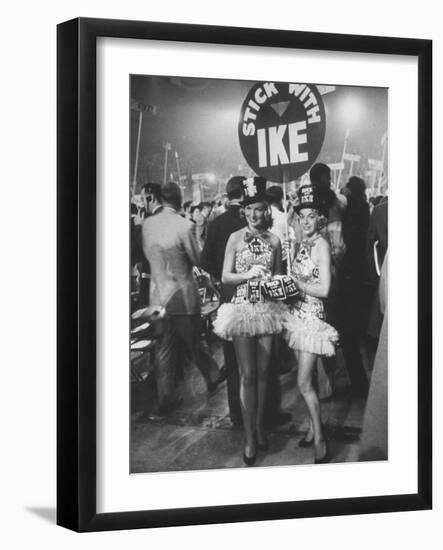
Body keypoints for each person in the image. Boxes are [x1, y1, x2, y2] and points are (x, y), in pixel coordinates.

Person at [213, 177, 287, 465]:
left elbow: (280, 276)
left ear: (266, 210)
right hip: (243, 309)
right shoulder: (234, 238)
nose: (254, 214)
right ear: (243, 211)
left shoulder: (275, 241)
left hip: (267, 310)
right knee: (247, 375)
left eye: (259, 208)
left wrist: (276, 281)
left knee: (265, 373)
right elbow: (225, 276)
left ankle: (258, 426)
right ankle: (248, 437)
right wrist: (248, 274)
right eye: (249, 209)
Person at [141, 182, 225, 415]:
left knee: (164, 349)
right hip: (182, 297)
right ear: (178, 200)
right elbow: (197, 259)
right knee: (194, 343)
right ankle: (212, 376)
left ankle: (166, 398)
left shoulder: (148, 224)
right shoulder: (184, 225)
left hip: (158, 296)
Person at [283, 184, 339, 464]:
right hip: (295, 318)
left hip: (312, 319)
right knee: (308, 383)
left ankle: (320, 439)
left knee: (303, 383)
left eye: (310, 216)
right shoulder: (301, 244)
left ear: (321, 219)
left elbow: (325, 289)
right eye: (301, 216)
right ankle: (310, 430)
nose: (305, 221)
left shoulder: (322, 246)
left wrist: (298, 283)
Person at [201, 176, 247, 426]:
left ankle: (237, 415)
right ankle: (261, 413)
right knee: (258, 362)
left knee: (231, 362)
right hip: (253, 296)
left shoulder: (216, 223)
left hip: (228, 297)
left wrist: (222, 280)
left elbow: (205, 260)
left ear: (229, 194)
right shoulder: (251, 218)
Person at [340, 176, 371, 397]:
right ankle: (362, 381)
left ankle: (359, 384)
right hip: (364, 277)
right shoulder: (366, 208)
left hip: (350, 276)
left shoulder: (350, 210)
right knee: (359, 335)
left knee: (349, 335)